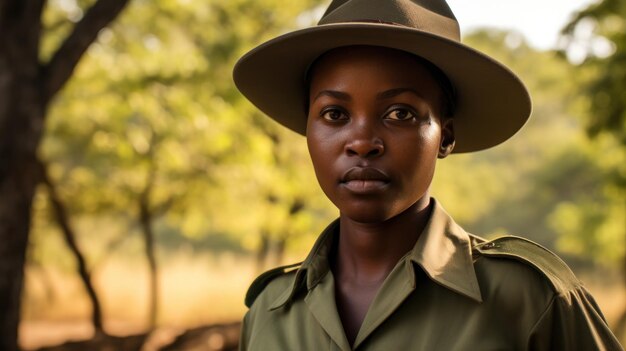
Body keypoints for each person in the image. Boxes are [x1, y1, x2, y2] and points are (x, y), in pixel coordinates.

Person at [232, 0, 623, 350]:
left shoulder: (530, 300)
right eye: (335, 114)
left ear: (445, 136)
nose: (363, 142)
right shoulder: (269, 311)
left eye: (400, 113)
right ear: (309, 131)